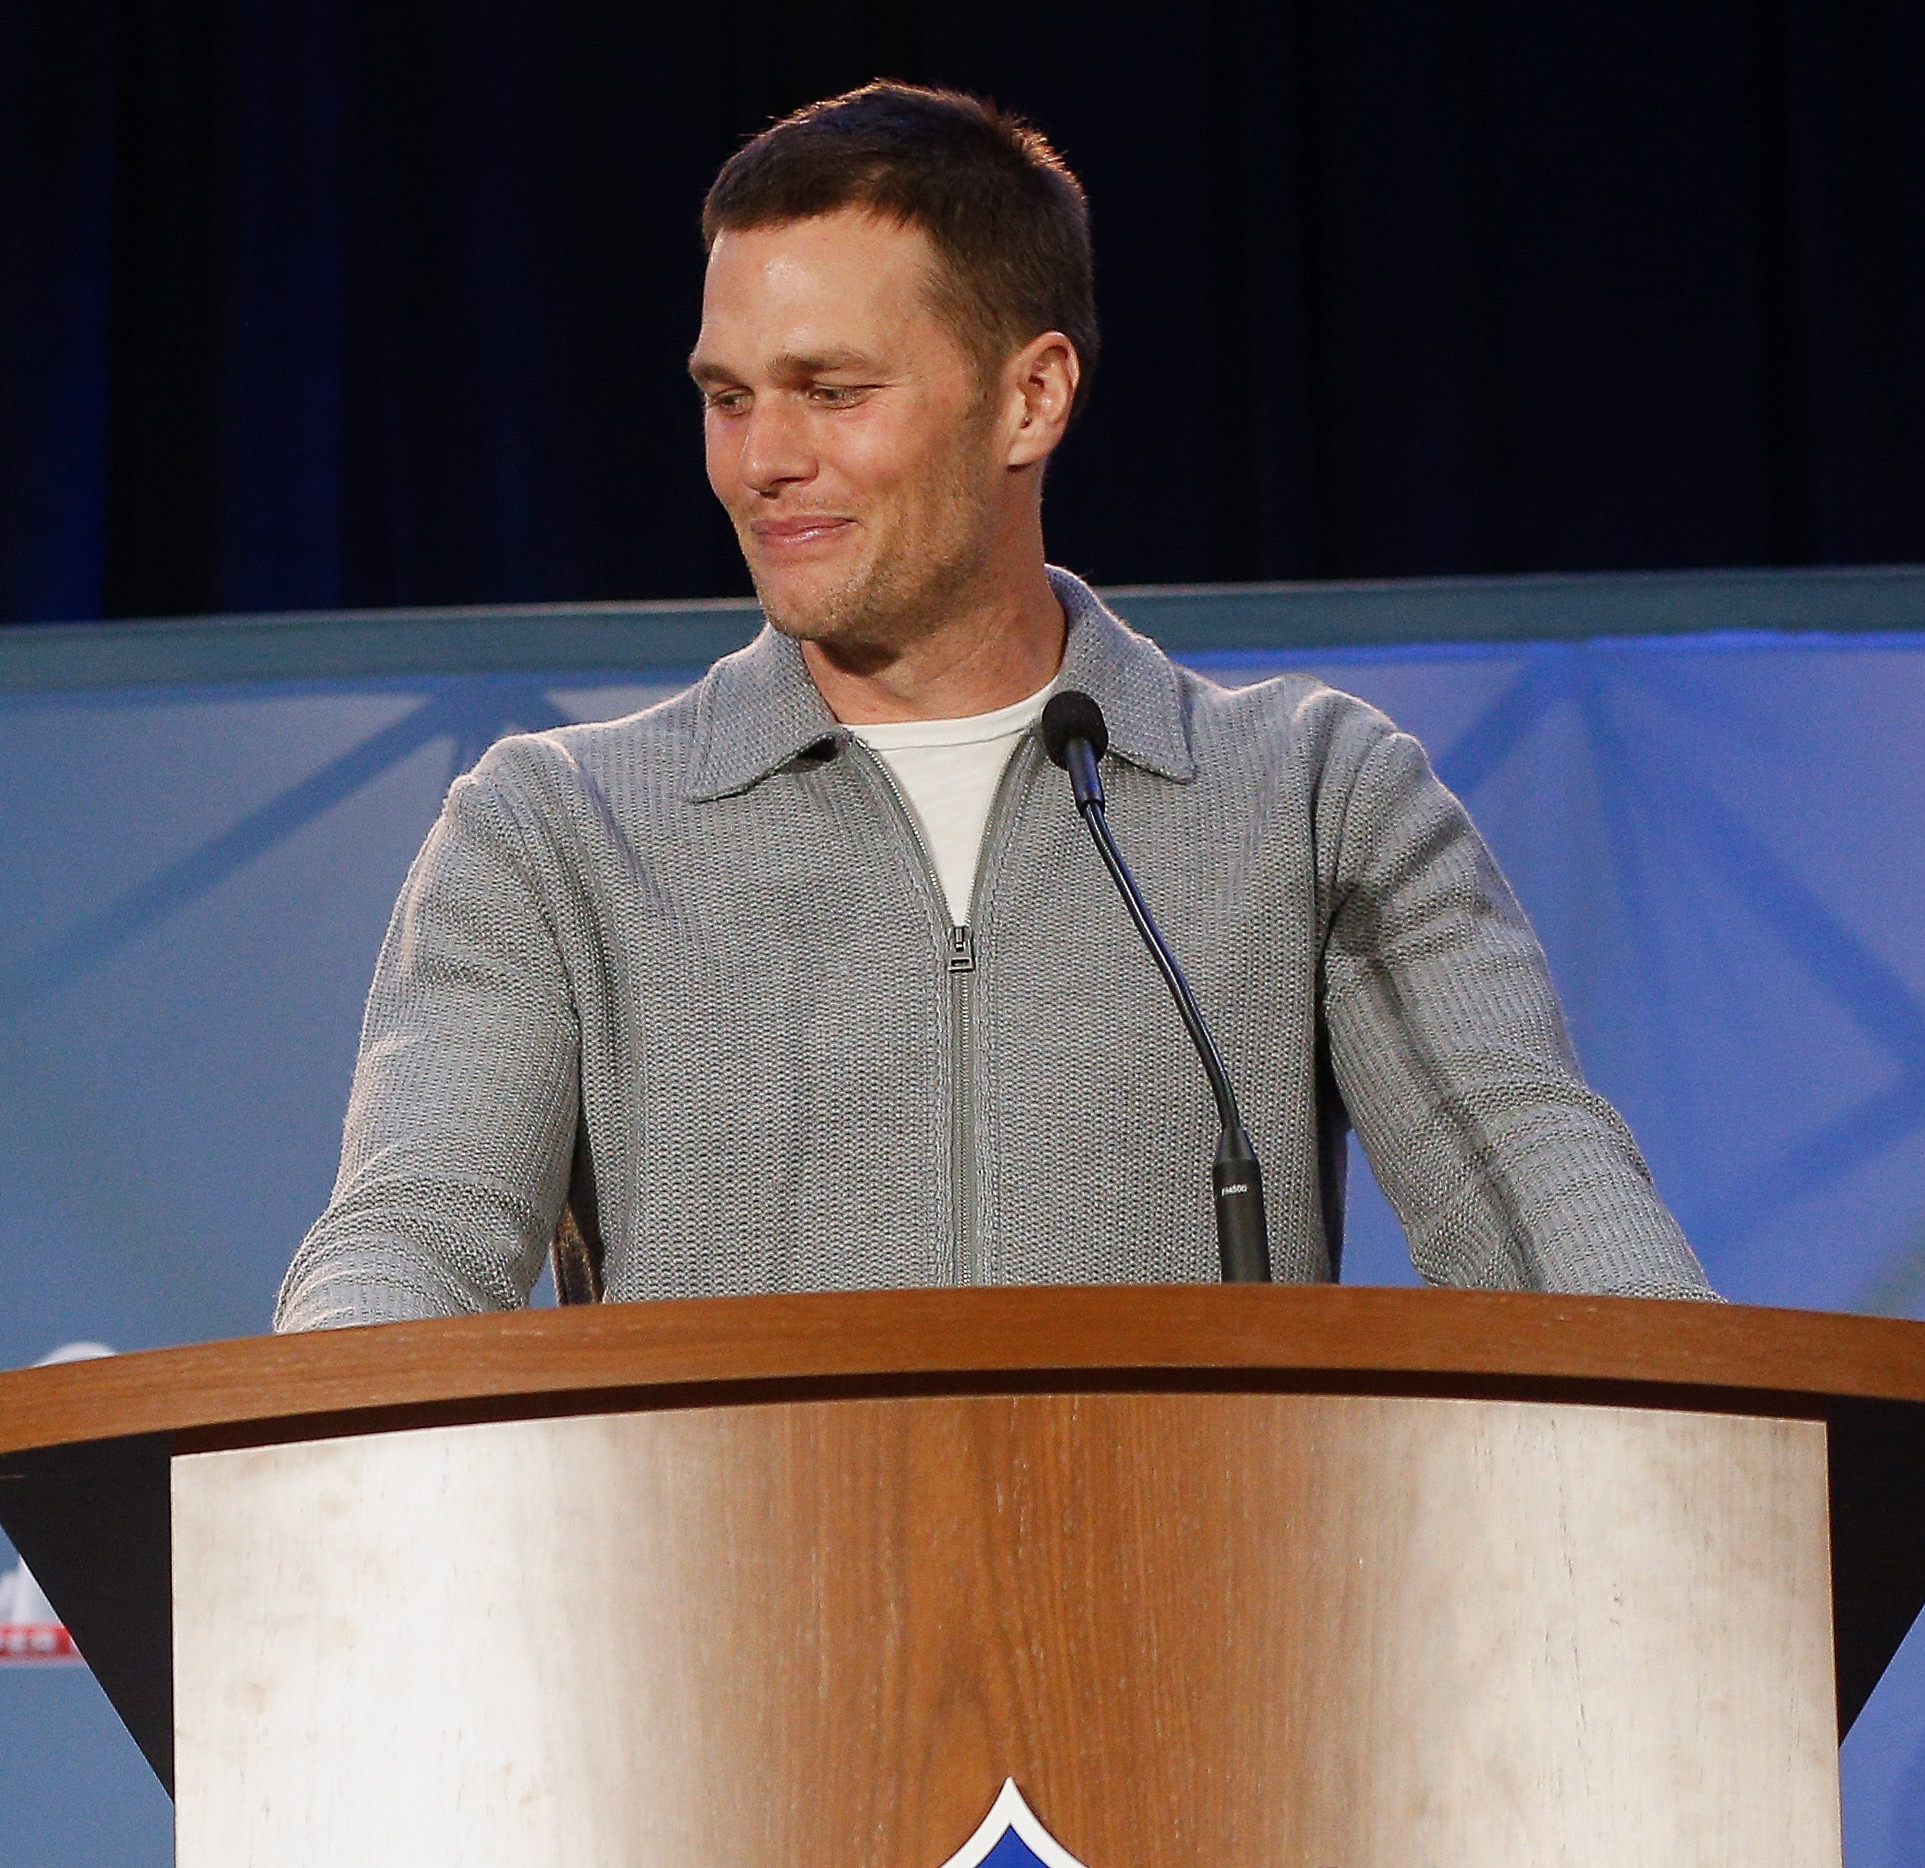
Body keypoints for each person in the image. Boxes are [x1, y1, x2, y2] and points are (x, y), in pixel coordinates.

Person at [275, 79, 1710, 1330]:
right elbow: (414, 1237)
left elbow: (1536, 1205)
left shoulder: (1311, 793)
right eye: (726, 398)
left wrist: (1716, 1443)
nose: (760, 459)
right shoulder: (558, 830)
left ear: (1030, 399)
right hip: (731, 1635)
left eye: (831, 390)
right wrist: (298, 1466)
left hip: (1201, 1625)